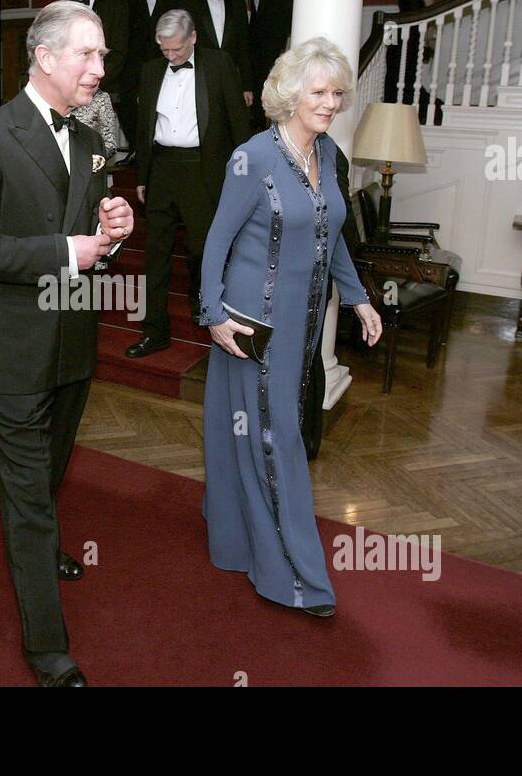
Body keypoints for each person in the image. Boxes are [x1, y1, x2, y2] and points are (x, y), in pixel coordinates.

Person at [0, 0, 133, 687]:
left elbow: (92, 240)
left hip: (74, 345)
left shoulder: (88, 140)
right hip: (15, 351)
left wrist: (112, 232)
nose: (99, 68)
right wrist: (66, 250)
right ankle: (48, 650)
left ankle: (44, 545)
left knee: (49, 474)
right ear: (45, 57)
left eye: (104, 55)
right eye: (89, 54)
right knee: (26, 498)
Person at [199, 37, 383, 618]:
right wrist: (212, 314)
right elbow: (217, 239)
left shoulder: (326, 155)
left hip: (304, 323)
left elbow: (332, 240)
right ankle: (295, 576)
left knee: (255, 435)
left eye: (336, 93)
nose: (330, 104)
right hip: (252, 328)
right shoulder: (253, 157)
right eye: (318, 92)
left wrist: (358, 300)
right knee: (279, 440)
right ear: (289, 94)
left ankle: (234, 539)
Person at [126, 9, 249, 359]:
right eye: (165, 50)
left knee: (201, 249)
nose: (171, 56)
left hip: (202, 169)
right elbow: (144, 128)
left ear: (193, 37)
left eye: (177, 50)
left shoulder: (218, 64)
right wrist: (144, 176)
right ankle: (154, 331)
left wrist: (243, 174)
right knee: (155, 255)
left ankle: (204, 303)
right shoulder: (151, 71)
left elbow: (238, 122)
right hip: (163, 168)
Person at [120, 0, 206, 167]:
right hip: (140, 50)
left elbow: (191, 13)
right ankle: (138, 149)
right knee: (127, 97)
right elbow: (135, 15)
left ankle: (156, 148)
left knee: (163, 99)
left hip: (169, 49)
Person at [68, 0, 128, 146]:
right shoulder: (61, 7)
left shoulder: (117, 8)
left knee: (99, 153)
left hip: (103, 90)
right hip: (67, 92)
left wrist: (92, 82)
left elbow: (119, 54)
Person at [195, 0, 254, 109]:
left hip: (230, 82)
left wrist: (247, 86)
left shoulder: (238, 3)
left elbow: (243, 47)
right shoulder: (188, 1)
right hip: (199, 81)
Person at [247, 0, 294, 130]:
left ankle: (277, 123)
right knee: (258, 80)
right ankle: (258, 122)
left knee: (277, 81)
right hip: (256, 42)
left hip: (275, 41)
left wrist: (282, 40)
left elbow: (287, 10)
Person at [383, 0, 435, 104]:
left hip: (413, 36)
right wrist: (389, 37)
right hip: (401, 34)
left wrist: (429, 41)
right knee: (394, 73)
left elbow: (430, 12)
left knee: (406, 75)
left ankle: (423, 108)